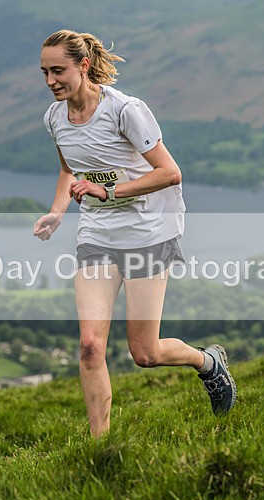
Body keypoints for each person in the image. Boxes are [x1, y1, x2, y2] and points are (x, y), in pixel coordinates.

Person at [33, 29, 236, 437]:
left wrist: (107, 191)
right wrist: (58, 211)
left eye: (59, 70)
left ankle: (208, 362)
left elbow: (169, 172)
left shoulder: (125, 110)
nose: (51, 80)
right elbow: (69, 168)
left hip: (148, 233)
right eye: (44, 72)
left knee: (145, 353)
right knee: (90, 346)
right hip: (98, 234)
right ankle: (100, 448)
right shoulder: (55, 118)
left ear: (83, 65)